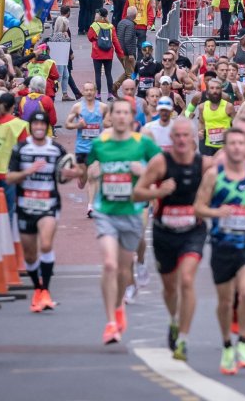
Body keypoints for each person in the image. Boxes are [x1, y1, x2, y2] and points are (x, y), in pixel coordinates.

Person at [86, 99, 168, 344]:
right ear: (110, 117)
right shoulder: (99, 144)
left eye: (126, 113)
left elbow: (163, 168)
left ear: (133, 118)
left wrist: (143, 172)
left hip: (132, 211)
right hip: (106, 212)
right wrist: (90, 173)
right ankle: (111, 321)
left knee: (123, 269)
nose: (121, 117)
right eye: (117, 112)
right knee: (110, 265)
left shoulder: (142, 143)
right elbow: (87, 172)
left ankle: (119, 307)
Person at [194, 127, 245, 375]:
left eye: (242, 143)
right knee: (226, 301)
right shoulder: (213, 176)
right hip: (221, 245)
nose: (238, 147)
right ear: (226, 148)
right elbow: (198, 207)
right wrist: (217, 213)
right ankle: (228, 344)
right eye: (233, 143)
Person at [133, 117, 212, 361]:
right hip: (164, 231)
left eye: (184, 135)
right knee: (169, 287)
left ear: (193, 138)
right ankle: (174, 320)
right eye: (175, 135)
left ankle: (183, 341)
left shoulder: (205, 164)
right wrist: (158, 191)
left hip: (193, 231)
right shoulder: (160, 163)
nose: (180, 139)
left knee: (187, 279)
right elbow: (137, 193)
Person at [6, 111, 79, 313]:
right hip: (25, 205)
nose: (38, 127)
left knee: (46, 245)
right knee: (29, 256)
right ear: (30, 127)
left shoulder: (56, 149)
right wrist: (27, 172)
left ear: (47, 127)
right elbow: (10, 178)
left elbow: (68, 172)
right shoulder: (20, 149)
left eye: (42, 124)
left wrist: (71, 174)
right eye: (35, 124)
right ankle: (37, 290)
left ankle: (45, 290)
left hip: (49, 204)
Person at [64, 82, 108, 215]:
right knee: (83, 179)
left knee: (93, 177)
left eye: (91, 90)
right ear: (83, 92)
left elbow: (110, 122)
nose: (89, 93)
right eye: (86, 90)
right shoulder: (77, 107)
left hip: (96, 149)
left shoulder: (103, 107)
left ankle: (91, 206)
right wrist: (78, 125)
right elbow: (67, 124)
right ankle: (80, 180)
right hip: (81, 148)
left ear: (95, 92)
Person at [87, 8, 124, 102]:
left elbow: (89, 37)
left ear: (100, 16)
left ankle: (98, 95)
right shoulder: (111, 26)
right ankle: (110, 95)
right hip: (108, 53)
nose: (96, 15)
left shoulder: (94, 25)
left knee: (98, 74)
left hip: (97, 53)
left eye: (97, 14)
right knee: (108, 74)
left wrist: (96, 38)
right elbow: (115, 40)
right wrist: (120, 53)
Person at [199, 78, 235, 157]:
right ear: (208, 91)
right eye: (212, 88)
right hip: (208, 145)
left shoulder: (228, 106)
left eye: (217, 88)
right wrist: (200, 131)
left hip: (225, 146)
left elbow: (237, 125)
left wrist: (229, 131)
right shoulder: (202, 107)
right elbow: (201, 122)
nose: (215, 91)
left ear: (221, 90)